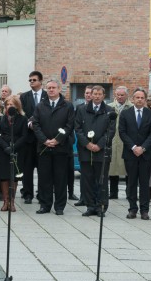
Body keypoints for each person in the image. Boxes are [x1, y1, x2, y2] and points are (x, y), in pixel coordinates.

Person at [32, 79, 74, 216]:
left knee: (60, 179)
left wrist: (57, 140)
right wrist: (45, 140)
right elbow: (35, 124)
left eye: (53, 87)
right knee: (44, 179)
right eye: (49, 88)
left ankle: (59, 206)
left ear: (59, 89)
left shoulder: (67, 106)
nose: (51, 90)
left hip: (61, 149)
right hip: (44, 148)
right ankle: (45, 205)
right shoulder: (40, 106)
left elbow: (69, 125)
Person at [74, 85, 115, 217]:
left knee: (101, 180)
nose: (97, 96)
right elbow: (78, 128)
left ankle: (101, 206)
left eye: (99, 94)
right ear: (90, 95)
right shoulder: (82, 110)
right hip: (86, 151)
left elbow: (111, 130)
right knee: (87, 180)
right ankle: (90, 206)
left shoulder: (109, 111)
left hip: (102, 152)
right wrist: (87, 144)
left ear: (104, 96)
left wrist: (99, 145)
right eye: (95, 94)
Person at [118, 88, 151, 220]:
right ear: (132, 99)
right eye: (137, 97)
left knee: (144, 183)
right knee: (131, 182)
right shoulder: (125, 114)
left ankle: (144, 210)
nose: (139, 100)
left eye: (142, 98)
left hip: (145, 154)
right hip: (130, 154)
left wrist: (143, 148)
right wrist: (134, 147)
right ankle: (132, 209)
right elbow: (122, 132)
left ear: (145, 100)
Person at [0, 95, 29, 212]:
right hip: (3, 150)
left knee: (14, 177)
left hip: (17, 150)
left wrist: (14, 147)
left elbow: (24, 136)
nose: (9, 106)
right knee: (4, 176)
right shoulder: (1, 119)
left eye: (12, 104)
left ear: (17, 106)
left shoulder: (23, 119)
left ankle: (12, 202)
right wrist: (5, 147)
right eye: (8, 104)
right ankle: (5, 201)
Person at [17, 71, 46, 205]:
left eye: (34, 80)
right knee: (27, 168)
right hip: (28, 138)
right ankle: (27, 194)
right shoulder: (24, 97)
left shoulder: (47, 96)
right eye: (30, 80)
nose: (31, 82)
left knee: (42, 169)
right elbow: (21, 113)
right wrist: (29, 122)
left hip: (43, 138)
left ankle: (42, 194)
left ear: (40, 81)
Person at [106, 86, 129, 201]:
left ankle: (129, 192)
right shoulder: (109, 107)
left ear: (126, 95)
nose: (120, 97)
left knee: (127, 168)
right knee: (113, 167)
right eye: (118, 95)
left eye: (122, 95)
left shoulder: (131, 107)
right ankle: (113, 192)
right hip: (113, 140)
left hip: (125, 141)